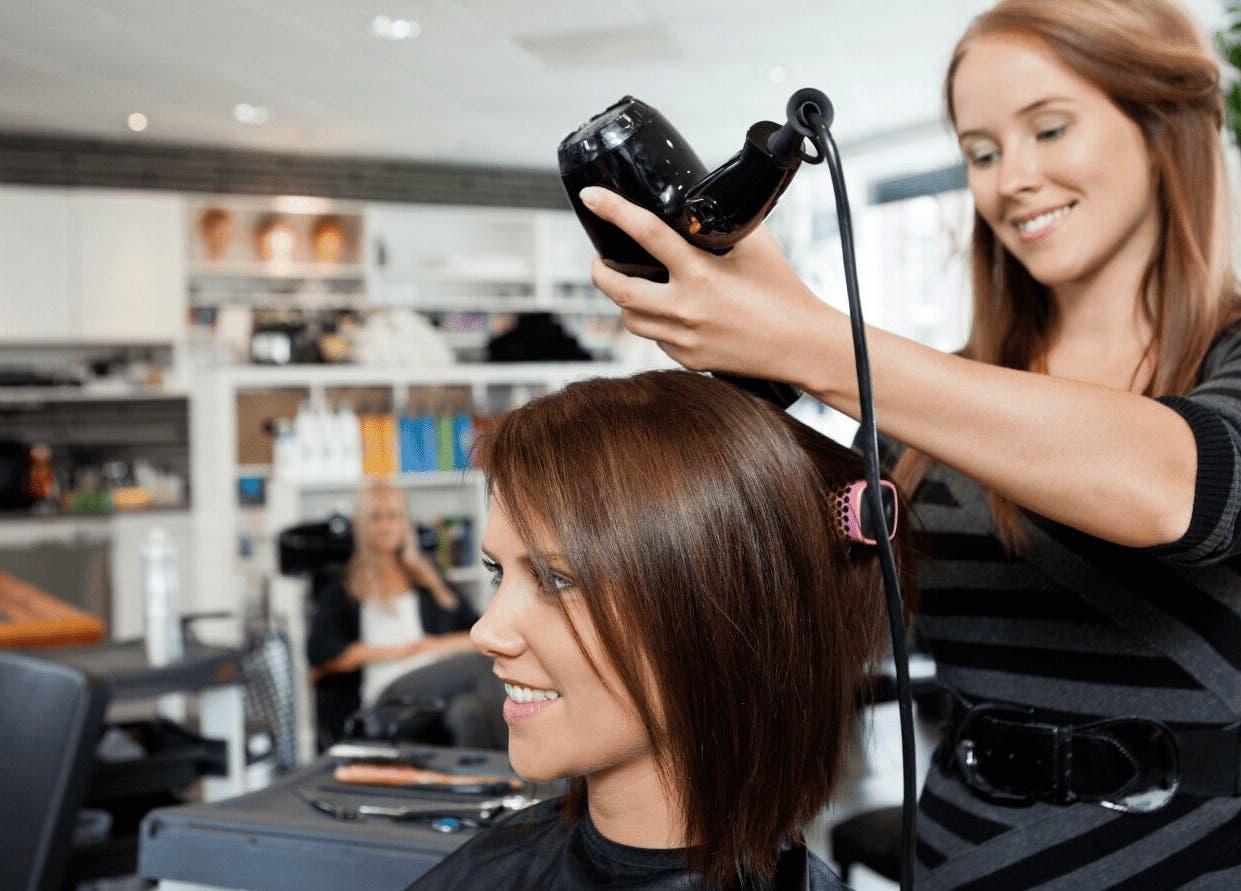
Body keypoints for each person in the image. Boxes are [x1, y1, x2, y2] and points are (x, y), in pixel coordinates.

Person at [576, 0, 1241, 886]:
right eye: (981, 151)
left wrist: (807, 341)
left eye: (1048, 128)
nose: (1012, 179)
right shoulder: (931, 407)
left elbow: (1177, 487)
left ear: (1163, 126)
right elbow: (803, 599)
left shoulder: (1216, 359)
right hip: (961, 853)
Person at [409, 370, 910, 890]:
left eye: (555, 579)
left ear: (713, 614)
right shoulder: (495, 863)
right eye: (497, 571)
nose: (486, 632)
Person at [306, 480, 503, 749]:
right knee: (484, 668)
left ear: (405, 523)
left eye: (393, 517)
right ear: (363, 525)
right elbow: (322, 653)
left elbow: (479, 634)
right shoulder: (343, 586)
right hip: (388, 696)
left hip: (438, 688)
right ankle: (528, 772)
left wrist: (430, 646)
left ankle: (490, 786)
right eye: (376, 518)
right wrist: (400, 652)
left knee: (468, 712)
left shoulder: (427, 578)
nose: (386, 526)